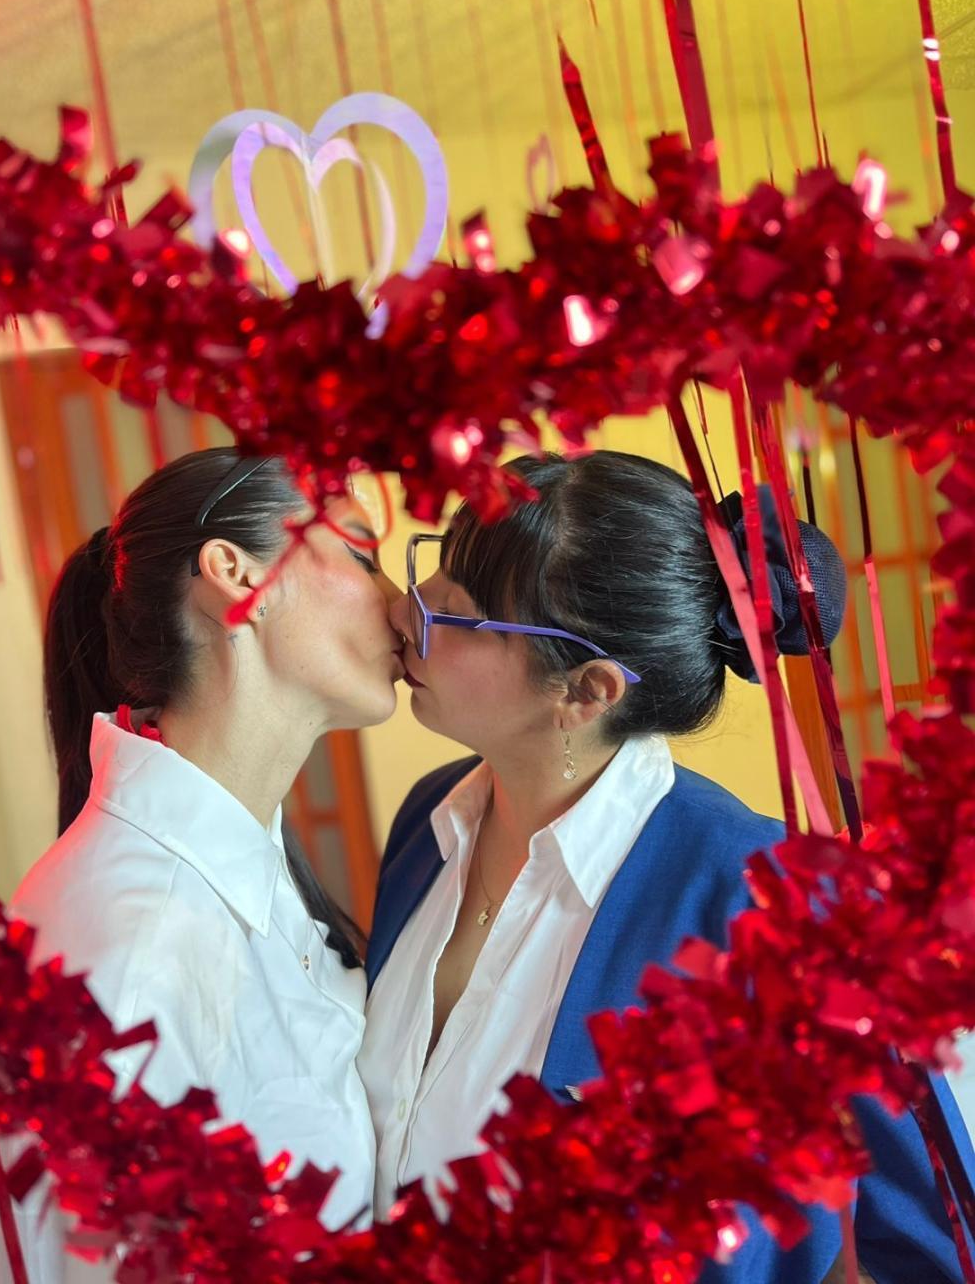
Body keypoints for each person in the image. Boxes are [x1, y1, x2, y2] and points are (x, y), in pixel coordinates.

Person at [360, 449, 975, 1283]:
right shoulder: (431, 821)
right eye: (429, 568)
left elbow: (936, 1244)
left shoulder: (771, 899)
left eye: (456, 612)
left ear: (586, 691)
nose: (406, 609)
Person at [0, 447, 405, 1282]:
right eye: (360, 553)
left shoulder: (243, 868)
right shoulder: (130, 951)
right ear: (236, 575)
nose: (401, 604)